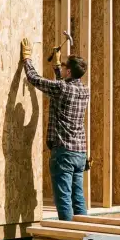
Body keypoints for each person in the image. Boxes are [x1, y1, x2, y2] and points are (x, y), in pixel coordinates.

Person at [20, 38, 90, 221]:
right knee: (78, 196)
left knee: (64, 197)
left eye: (65, 66)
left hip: (64, 153)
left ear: (69, 71)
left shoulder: (62, 88)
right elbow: (64, 87)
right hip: (80, 153)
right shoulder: (85, 90)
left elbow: (35, 79)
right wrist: (58, 66)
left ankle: (67, 235)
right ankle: (84, 235)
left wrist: (27, 59)